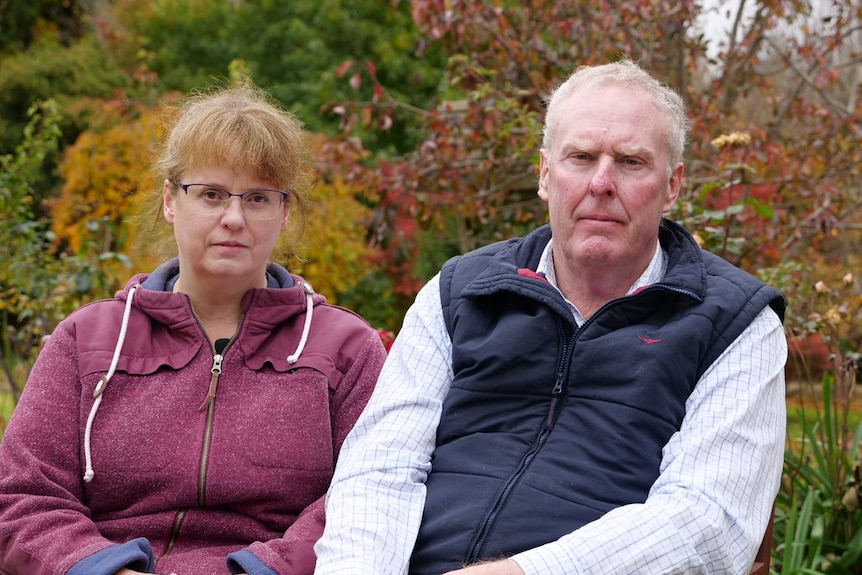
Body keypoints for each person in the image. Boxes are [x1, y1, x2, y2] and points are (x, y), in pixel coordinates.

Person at [313, 59, 787, 575]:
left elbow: (706, 523)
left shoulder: (736, 323)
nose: (601, 182)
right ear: (545, 174)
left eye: (630, 162)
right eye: (580, 157)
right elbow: (380, 469)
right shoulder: (459, 292)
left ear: (672, 186)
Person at [0, 83, 388, 575]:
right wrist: (103, 568)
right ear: (169, 200)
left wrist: (263, 568)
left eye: (259, 198)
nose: (234, 218)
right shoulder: (86, 340)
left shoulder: (347, 349)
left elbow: (370, 494)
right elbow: (22, 496)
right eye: (210, 194)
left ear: (286, 212)